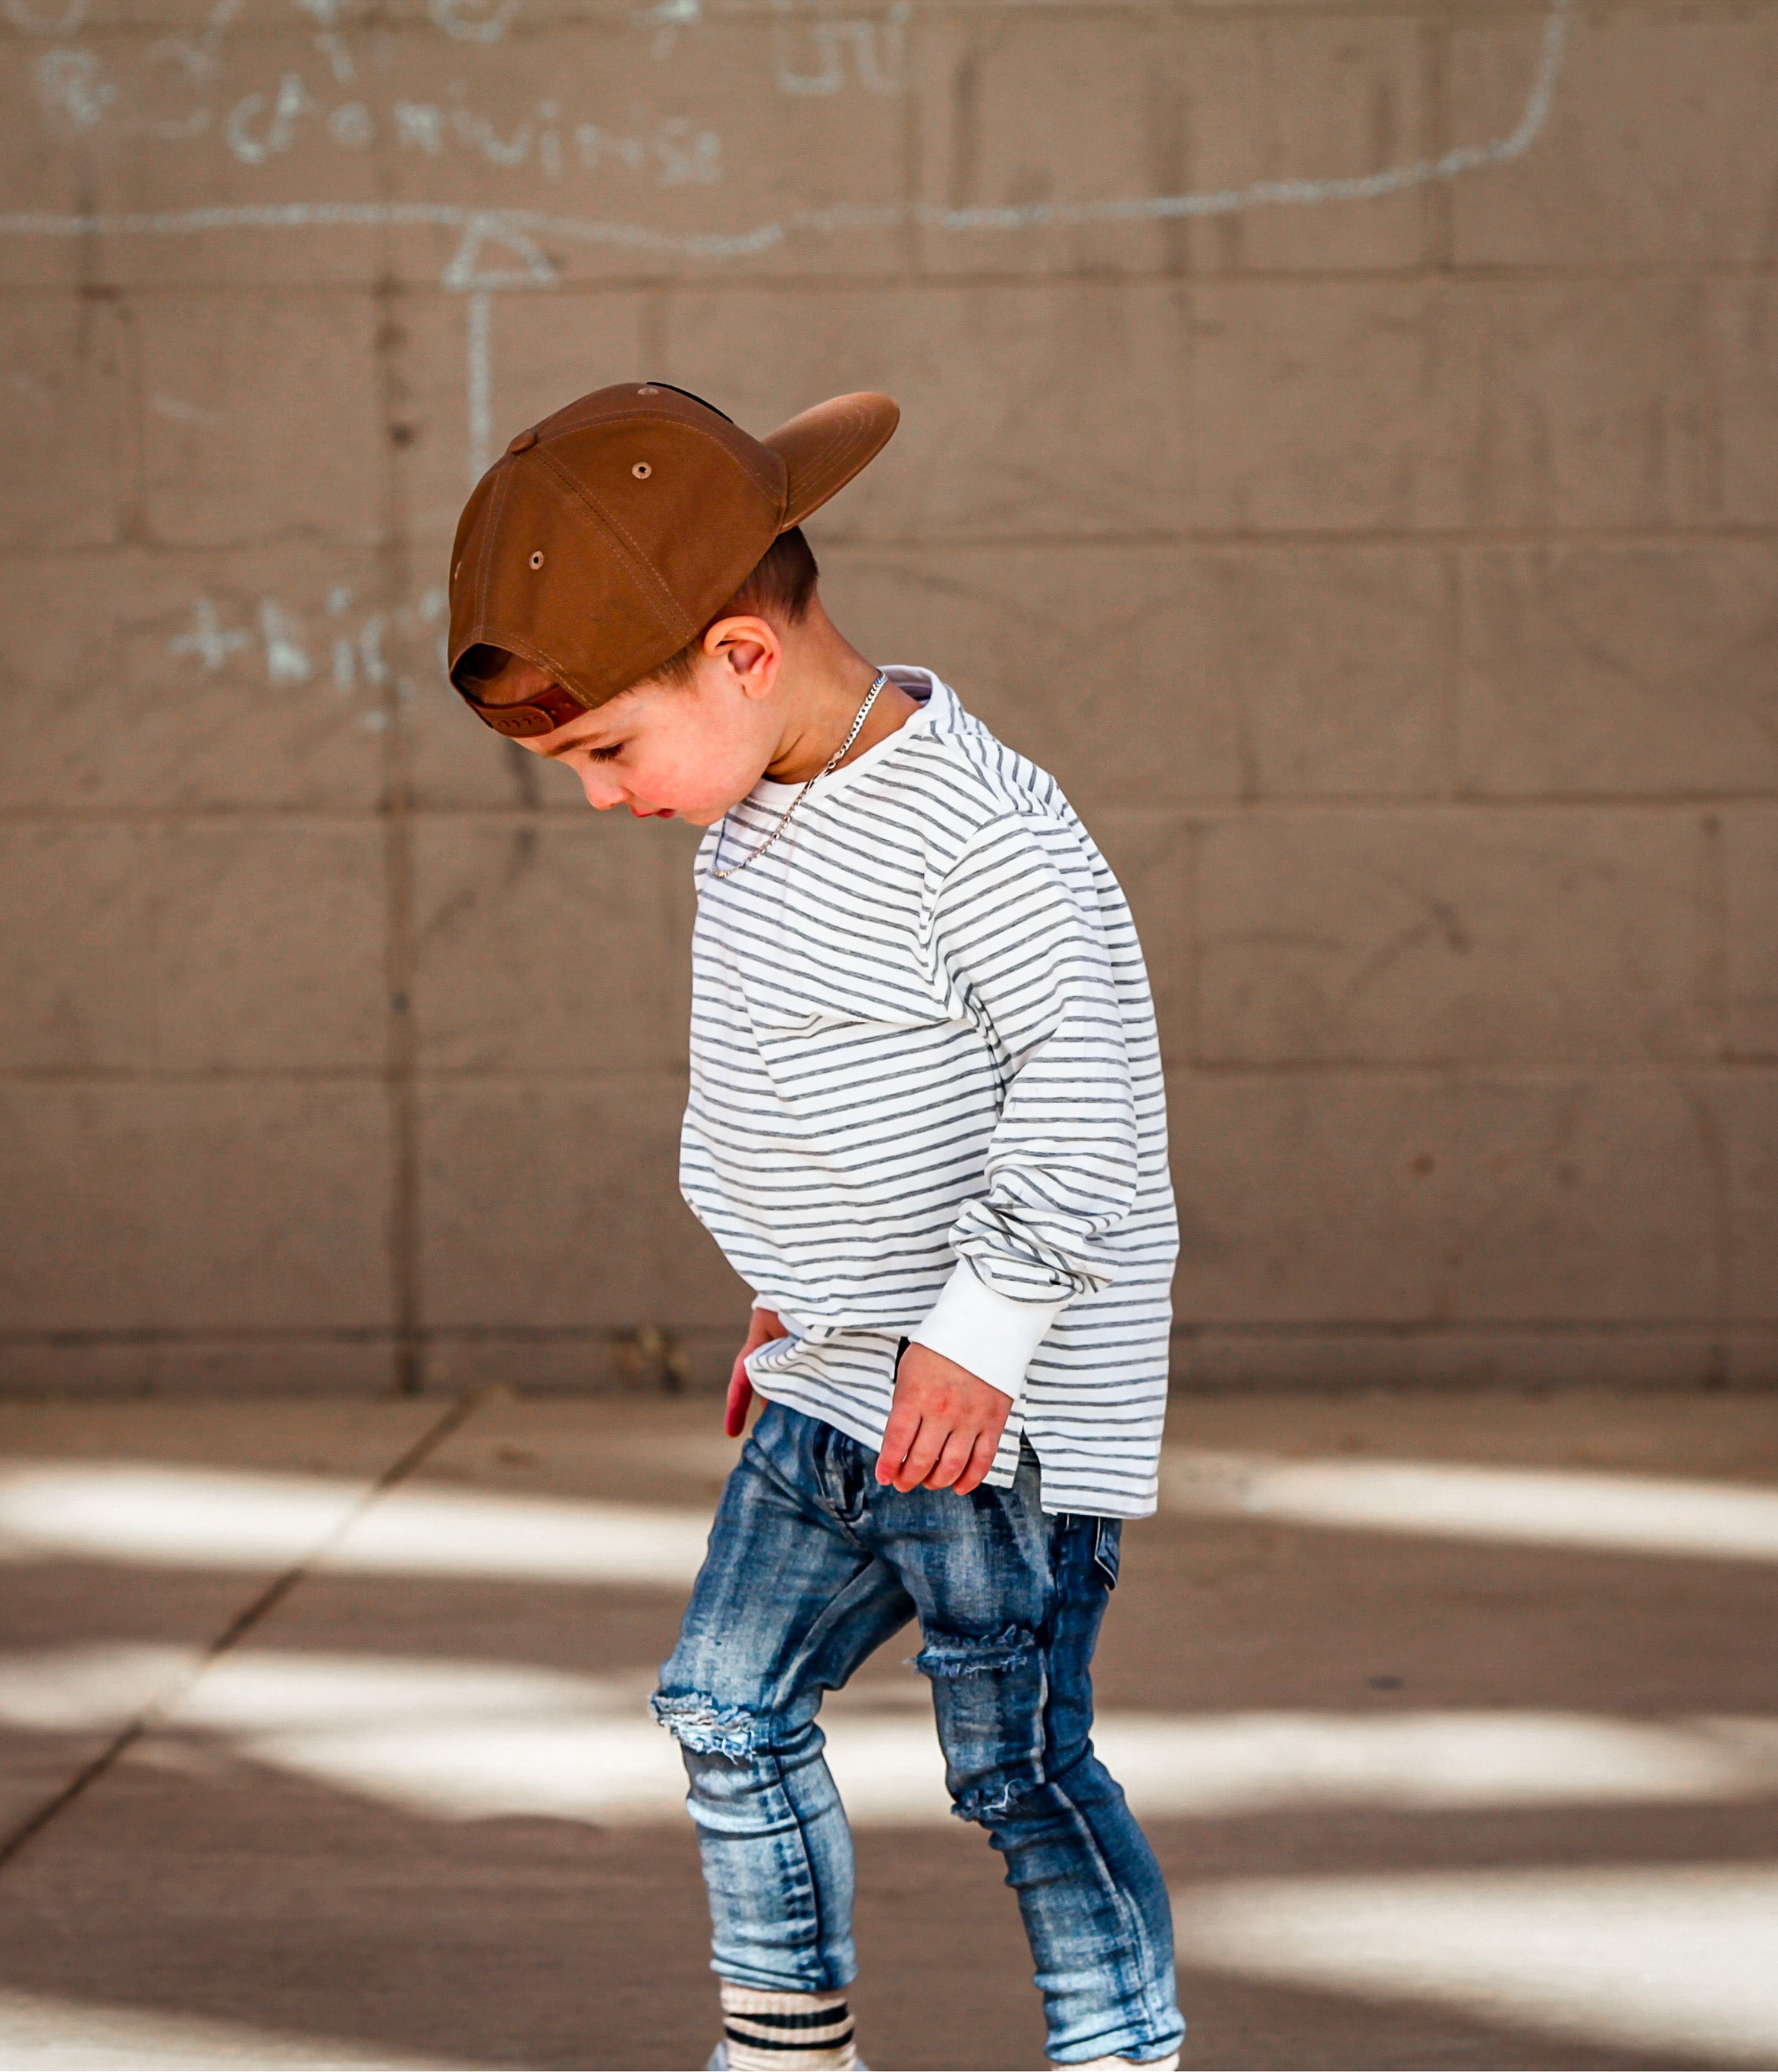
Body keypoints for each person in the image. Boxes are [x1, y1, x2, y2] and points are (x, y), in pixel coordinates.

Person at [445, 381, 1185, 2072]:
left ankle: (1118, 2052)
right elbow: (826, 1100)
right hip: (829, 1379)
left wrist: (975, 1337)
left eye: (606, 751)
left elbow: (1085, 1106)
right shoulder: (758, 808)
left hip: (987, 1417)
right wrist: (801, 1297)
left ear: (743, 657)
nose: (601, 800)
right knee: (724, 1704)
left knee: (1017, 1769)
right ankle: (788, 2049)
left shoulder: (984, 833)